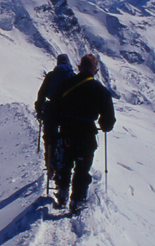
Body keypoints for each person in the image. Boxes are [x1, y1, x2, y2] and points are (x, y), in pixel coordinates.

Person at [48, 54, 115, 215]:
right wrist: (102, 124)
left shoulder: (65, 85)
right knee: (82, 169)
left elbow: (53, 109)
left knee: (66, 163)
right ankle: (76, 200)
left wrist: (52, 131)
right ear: (95, 70)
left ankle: (62, 191)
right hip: (86, 136)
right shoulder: (101, 91)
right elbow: (108, 122)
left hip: (66, 132)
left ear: (79, 68)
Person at [35, 54, 75, 181]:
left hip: (51, 110)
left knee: (49, 139)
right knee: (66, 138)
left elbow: (41, 94)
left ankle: (50, 165)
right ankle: (65, 166)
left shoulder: (51, 75)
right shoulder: (73, 76)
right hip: (67, 112)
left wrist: (39, 110)